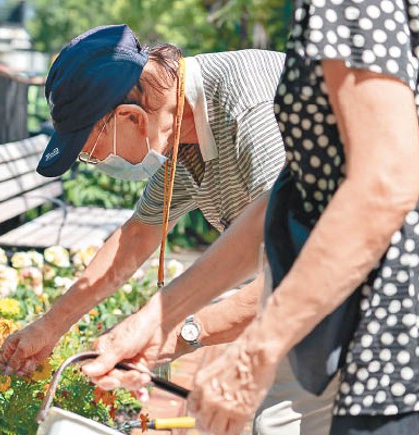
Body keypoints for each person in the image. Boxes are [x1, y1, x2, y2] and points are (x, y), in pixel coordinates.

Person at [85, 2, 419, 434]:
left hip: (389, 323)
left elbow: (382, 185)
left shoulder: (346, 7)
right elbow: (285, 201)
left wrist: (253, 352)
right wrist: (152, 323)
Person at [0, 25, 338, 434]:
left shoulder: (251, 111)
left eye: (89, 151)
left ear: (129, 117)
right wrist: (49, 327)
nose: (96, 161)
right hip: (310, 298)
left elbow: (306, 268)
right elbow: (138, 235)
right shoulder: (180, 130)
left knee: (278, 423)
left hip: (368, 292)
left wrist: (179, 332)